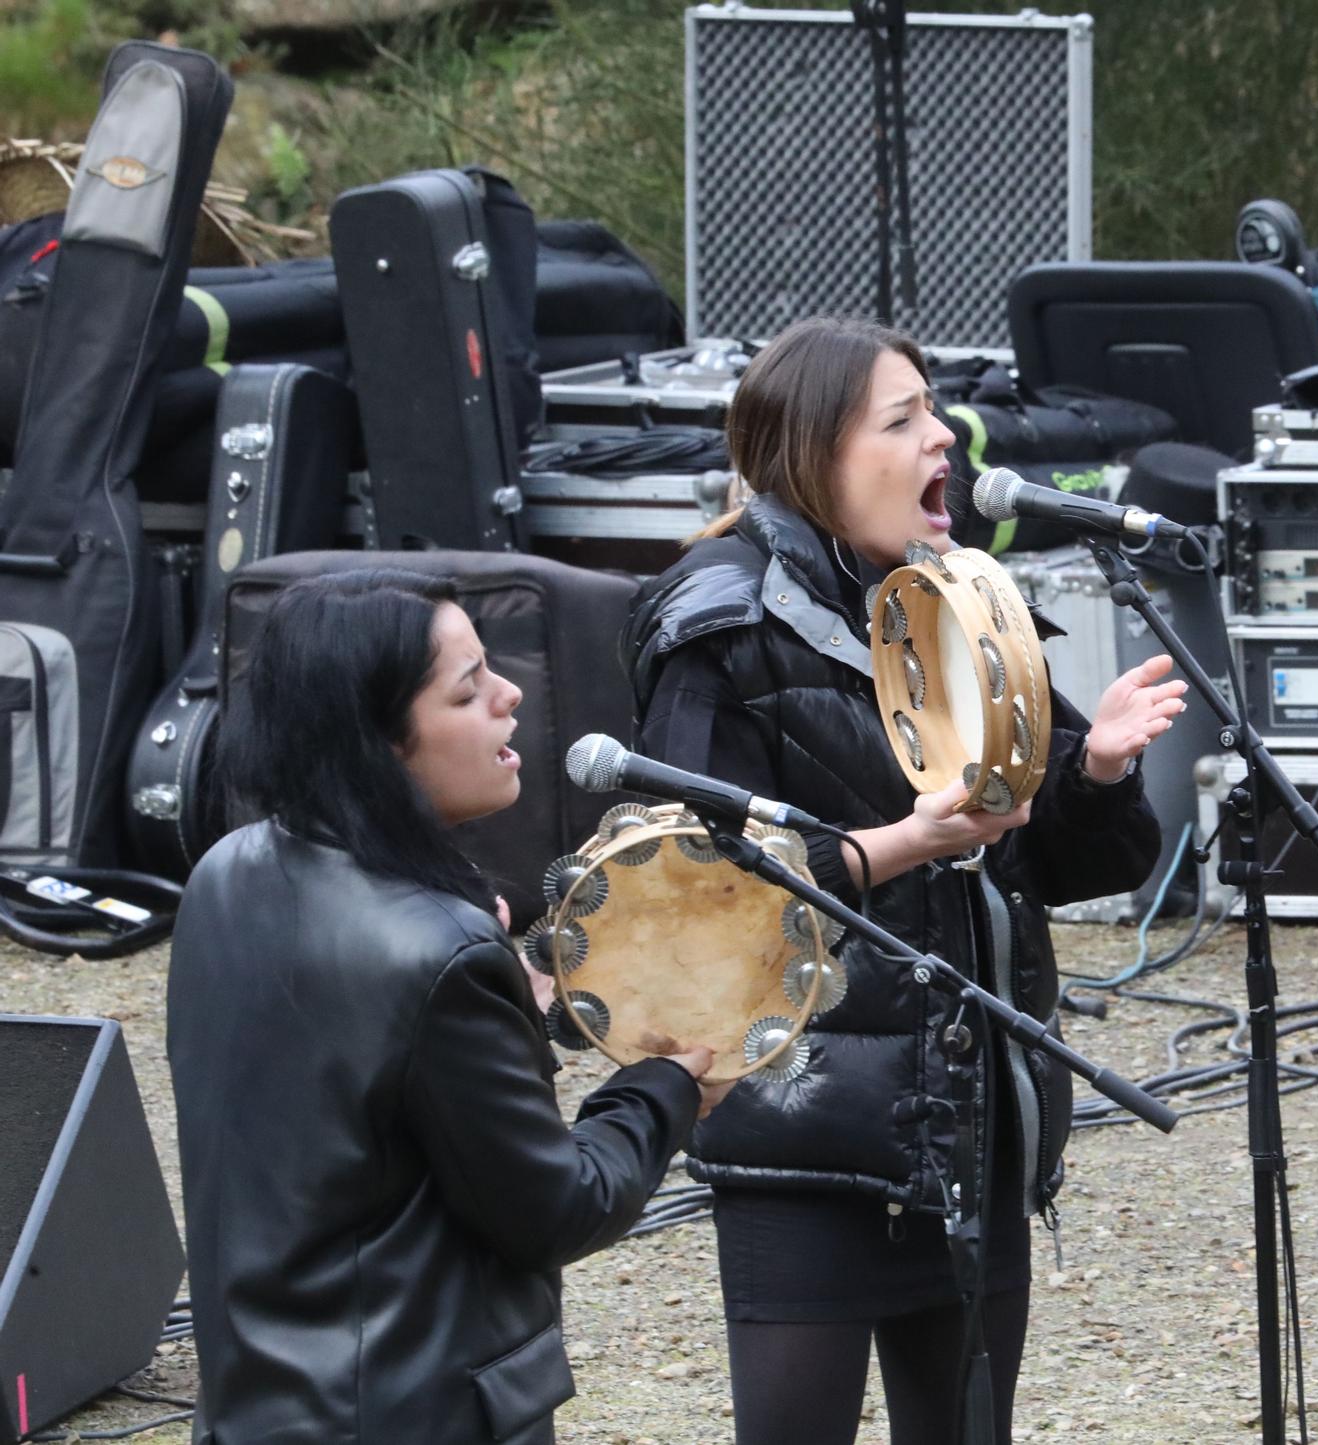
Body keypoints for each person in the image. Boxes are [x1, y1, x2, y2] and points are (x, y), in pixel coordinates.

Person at [619, 315, 1186, 1445]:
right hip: (805, 1139)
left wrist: (1105, 769)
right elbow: (686, 904)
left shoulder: (957, 598)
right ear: (816, 451)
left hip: (968, 1116)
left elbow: (1051, 858)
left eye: (935, 412)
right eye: (905, 419)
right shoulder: (718, 621)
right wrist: (901, 843)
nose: (945, 442)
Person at [167, 570, 726, 1444]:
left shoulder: (226, 873)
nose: (510, 696)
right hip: (411, 1413)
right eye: (468, 689)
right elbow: (558, 1207)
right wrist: (664, 1088)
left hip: (261, 1407)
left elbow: (348, 1100)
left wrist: (506, 1001)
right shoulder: (437, 950)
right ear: (380, 739)